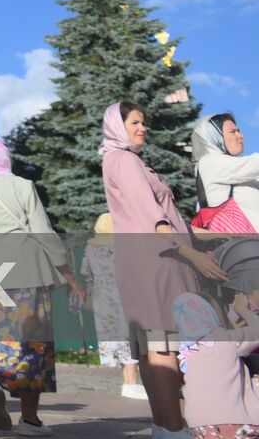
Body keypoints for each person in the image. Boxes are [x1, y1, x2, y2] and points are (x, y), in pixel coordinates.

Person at [102, 101, 227, 439]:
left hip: (147, 258)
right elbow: (152, 218)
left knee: (153, 345)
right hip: (158, 259)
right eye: (134, 122)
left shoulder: (119, 160)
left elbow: (166, 218)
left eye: (143, 122)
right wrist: (194, 255)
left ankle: (165, 426)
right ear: (117, 125)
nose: (142, 128)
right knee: (163, 344)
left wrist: (215, 234)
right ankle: (174, 427)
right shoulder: (125, 160)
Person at [0, 140, 87, 436]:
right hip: (27, 273)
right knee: (32, 345)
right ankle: (29, 419)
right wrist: (69, 275)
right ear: (6, 160)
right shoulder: (23, 186)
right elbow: (43, 231)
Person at [172, 293, 259, 438]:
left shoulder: (187, 348)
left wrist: (233, 316)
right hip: (233, 420)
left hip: (199, 423)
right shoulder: (225, 339)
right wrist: (243, 310)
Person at [82, 213, 145, 400]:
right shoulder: (121, 245)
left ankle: (127, 381)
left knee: (114, 336)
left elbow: (86, 271)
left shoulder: (91, 245)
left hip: (101, 295)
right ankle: (132, 383)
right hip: (122, 291)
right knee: (129, 335)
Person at [192, 113, 259, 232]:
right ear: (213, 136)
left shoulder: (238, 170)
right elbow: (253, 164)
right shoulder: (209, 163)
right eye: (233, 132)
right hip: (242, 246)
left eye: (239, 131)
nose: (241, 136)